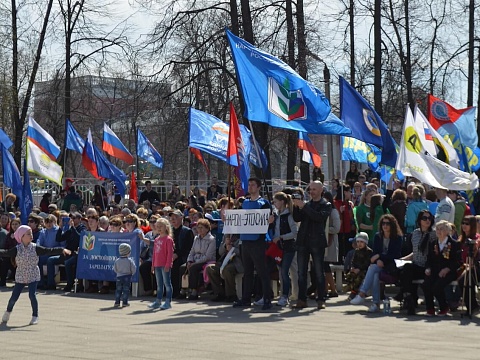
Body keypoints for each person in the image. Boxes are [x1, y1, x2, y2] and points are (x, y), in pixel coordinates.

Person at [0, 225, 70, 325]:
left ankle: (35, 316)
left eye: (31, 233)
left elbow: (48, 250)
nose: (31, 235)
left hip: (33, 274)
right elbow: (5, 252)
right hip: (21, 275)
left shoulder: (35, 248)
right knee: (14, 297)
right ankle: (8, 312)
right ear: (22, 236)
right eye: (28, 234)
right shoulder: (17, 249)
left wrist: (61, 249)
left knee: (32, 295)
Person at [233, 178, 273, 310]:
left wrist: (270, 220)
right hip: (245, 241)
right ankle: (245, 299)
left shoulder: (264, 203)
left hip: (258, 241)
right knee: (247, 272)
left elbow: (269, 220)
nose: (250, 187)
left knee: (262, 271)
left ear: (259, 187)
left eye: (253, 185)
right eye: (249, 184)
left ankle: (267, 298)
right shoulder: (244, 203)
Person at [350, 214, 403, 312]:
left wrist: (379, 257)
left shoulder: (398, 238)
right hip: (379, 265)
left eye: (388, 223)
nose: (385, 226)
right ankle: (374, 303)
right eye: (383, 223)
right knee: (375, 273)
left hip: (391, 266)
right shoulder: (378, 236)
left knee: (373, 269)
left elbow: (394, 255)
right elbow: (374, 253)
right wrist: (378, 259)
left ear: (392, 225)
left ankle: (363, 295)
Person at [293, 180, 332, 310]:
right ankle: (301, 299)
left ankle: (321, 298)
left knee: (319, 272)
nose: (311, 192)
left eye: (314, 189)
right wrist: (295, 205)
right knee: (301, 273)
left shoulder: (326, 204)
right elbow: (297, 218)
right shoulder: (307, 204)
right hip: (303, 241)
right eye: (310, 189)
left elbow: (318, 218)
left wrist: (303, 206)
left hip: (317, 242)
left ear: (321, 190)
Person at [397, 210, 435, 315]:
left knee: (408, 272)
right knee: (406, 268)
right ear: (419, 220)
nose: (427, 220)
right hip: (417, 265)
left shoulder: (434, 234)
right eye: (424, 218)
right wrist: (402, 259)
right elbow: (415, 253)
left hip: (428, 267)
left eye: (429, 218)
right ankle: (409, 299)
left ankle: (403, 295)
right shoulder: (415, 233)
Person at [424, 220, 462, 316]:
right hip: (435, 270)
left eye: (441, 229)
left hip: (449, 272)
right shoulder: (433, 243)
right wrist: (428, 268)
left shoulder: (454, 244)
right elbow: (429, 259)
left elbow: (457, 262)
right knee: (426, 284)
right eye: (437, 229)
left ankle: (444, 307)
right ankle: (430, 308)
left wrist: (447, 269)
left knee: (437, 286)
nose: (438, 231)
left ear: (447, 231)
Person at [271, 192, 298, 307]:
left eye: (276, 201)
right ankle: (283, 294)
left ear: (282, 202)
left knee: (284, 271)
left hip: (288, 247)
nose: (274, 204)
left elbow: (294, 232)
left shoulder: (289, 216)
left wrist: (281, 237)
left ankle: (285, 295)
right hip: (279, 248)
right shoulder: (276, 216)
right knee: (281, 272)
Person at [179, 218, 216, 300]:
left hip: (206, 261)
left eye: (201, 228)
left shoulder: (211, 239)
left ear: (207, 228)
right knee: (182, 267)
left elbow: (208, 256)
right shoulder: (196, 238)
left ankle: (194, 290)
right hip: (195, 259)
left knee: (193, 268)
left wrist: (195, 263)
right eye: (198, 228)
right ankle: (183, 289)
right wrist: (189, 261)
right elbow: (192, 251)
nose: (199, 230)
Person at [206, 234, 243, 303]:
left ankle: (231, 295)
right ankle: (219, 293)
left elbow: (243, 252)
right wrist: (225, 246)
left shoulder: (241, 235)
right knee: (210, 268)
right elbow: (220, 252)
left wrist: (233, 249)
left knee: (227, 270)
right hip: (224, 261)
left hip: (236, 262)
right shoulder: (226, 235)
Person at [147, 218, 175, 310]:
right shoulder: (156, 239)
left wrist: (168, 265)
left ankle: (168, 301)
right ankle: (158, 301)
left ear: (166, 227)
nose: (158, 228)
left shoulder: (168, 240)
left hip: (165, 265)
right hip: (157, 264)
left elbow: (170, 254)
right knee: (159, 284)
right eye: (157, 226)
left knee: (167, 283)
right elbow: (154, 253)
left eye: (161, 226)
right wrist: (153, 265)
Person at [57, 212, 87, 292]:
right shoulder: (70, 229)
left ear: (79, 219)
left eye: (74, 218)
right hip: (67, 252)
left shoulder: (82, 228)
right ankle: (50, 284)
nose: (72, 220)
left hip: (77, 253)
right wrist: (60, 228)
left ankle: (70, 283)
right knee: (50, 260)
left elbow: (79, 238)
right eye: (70, 219)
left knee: (68, 263)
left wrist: (73, 227)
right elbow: (59, 238)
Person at [169, 209, 194, 298]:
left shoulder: (187, 231)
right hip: (170, 255)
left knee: (176, 266)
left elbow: (188, 247)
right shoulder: (169, 231)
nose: (173, 219)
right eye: (171, 218)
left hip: (183, 256)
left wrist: (177, 255)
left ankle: (178, 291)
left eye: (175, 217)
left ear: (181, 218)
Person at [345, 232, 373, 301]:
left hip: (364, 270)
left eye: (361, 242)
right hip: (356, 269)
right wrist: (352, 267)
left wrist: (359, 269)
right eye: (358, 242)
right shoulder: (357, 251)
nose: (359, 244)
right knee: (349, 276)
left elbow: (367, 263)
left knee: (359, 277)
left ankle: (354, 292)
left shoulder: (369, 251)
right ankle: (352, 288)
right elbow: (353, 261)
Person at [323, 191, 340, 298]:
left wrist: (324, 229)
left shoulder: (333, 211)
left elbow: (336, 228)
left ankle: (333, 289)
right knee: (323, 266)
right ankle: (325, 289)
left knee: (325, 266)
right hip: (322, 241)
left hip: (330, 240)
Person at [334, 185, 356, 264]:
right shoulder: (336, 203)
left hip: (350, 231)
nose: (351, 193)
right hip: (341, 231)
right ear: (345, 192)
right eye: (349, 191)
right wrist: (340, 212)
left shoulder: (350, 204)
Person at [113, 243, 136, 308]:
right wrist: (132, 273)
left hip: (119, 276)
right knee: (126, 290)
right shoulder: (130, 261)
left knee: (118, 289)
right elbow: (133, 269)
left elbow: (115, 269)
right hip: (127, 276)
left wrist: (118, 273)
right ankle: (125, 302)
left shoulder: (117, 260)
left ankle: (117, 302)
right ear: (128, 252)